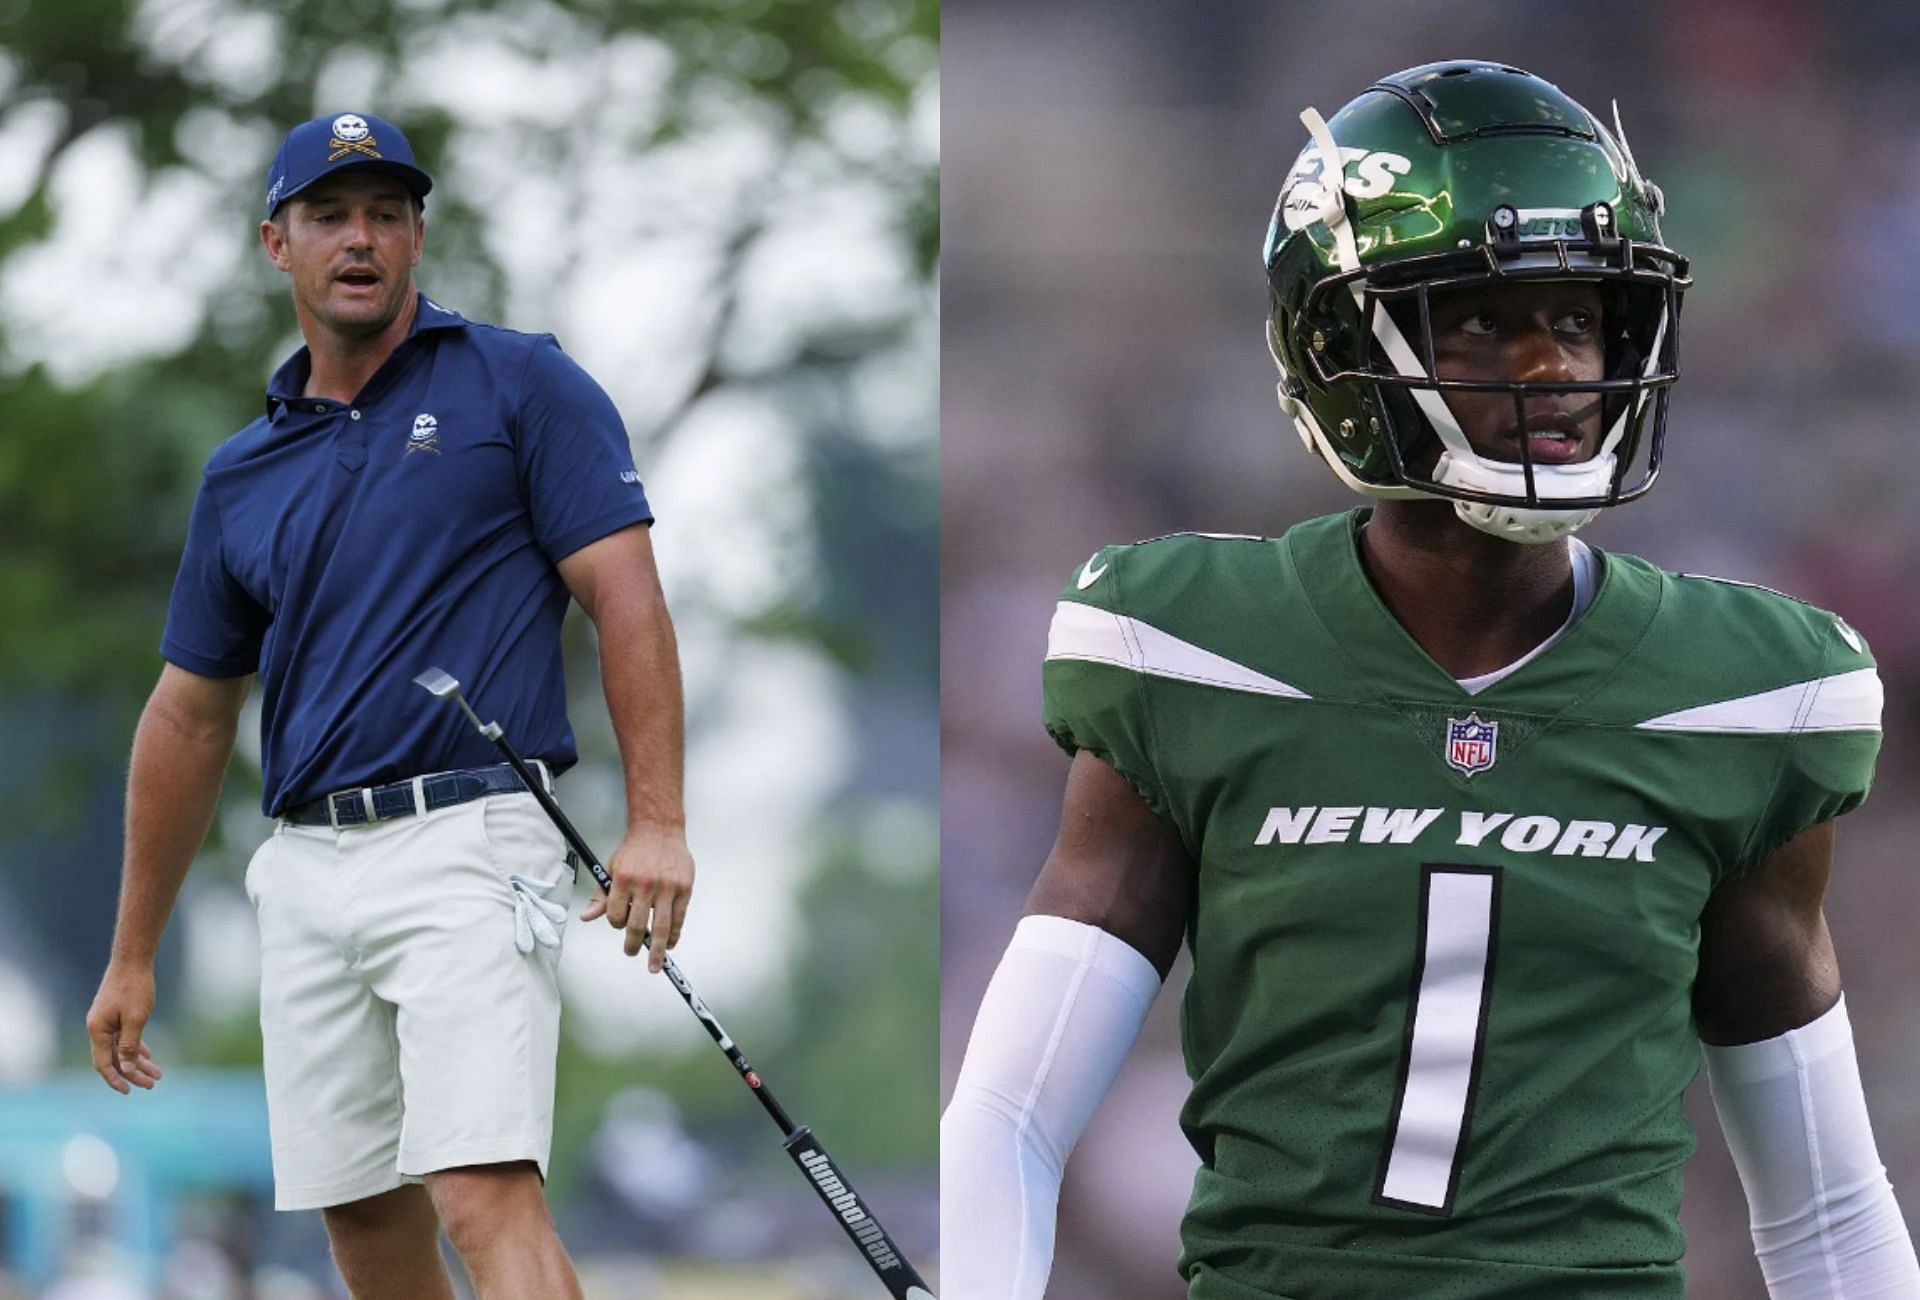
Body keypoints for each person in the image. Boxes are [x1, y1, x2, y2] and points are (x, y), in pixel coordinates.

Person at [941, 62, 1920, 1299]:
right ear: (1341, 345)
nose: (1556, 369)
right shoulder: (1188, 645)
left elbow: (1827, 1210)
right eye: (1486, 319)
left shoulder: (1748, 696)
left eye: (1577, 319)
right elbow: (1010, 1118)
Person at [82, 110, 694, 1300]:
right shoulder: (243, 470)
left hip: (473, 838)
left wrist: (658, 819)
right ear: (278, 244)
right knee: (362, 1219)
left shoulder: (522, 384)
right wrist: (131, 954)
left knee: (479, 1192)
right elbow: (189, 716)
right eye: (328, 216)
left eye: (384, 214)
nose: (358, 239)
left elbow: (628, 600)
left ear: (417, 235)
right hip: (304, 865)